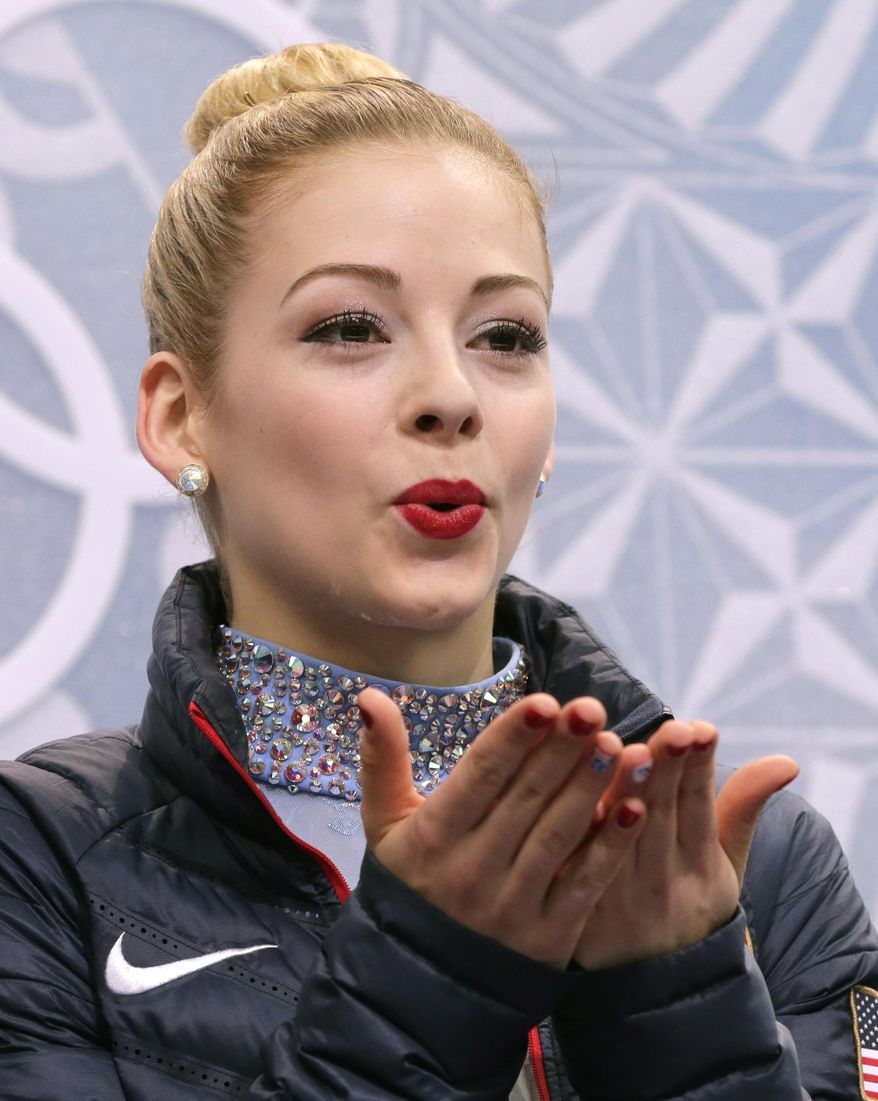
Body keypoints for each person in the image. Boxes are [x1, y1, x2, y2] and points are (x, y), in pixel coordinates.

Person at [0, 42, 875, 1101]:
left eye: (505, 337)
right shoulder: (36, 858)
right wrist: (432, 973)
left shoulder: (762, 868)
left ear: (547, 434)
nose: (450, 395)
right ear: (181, 415)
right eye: (349, 327)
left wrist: (672, 1003)